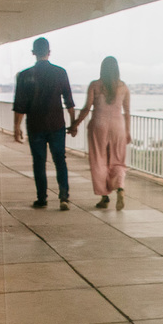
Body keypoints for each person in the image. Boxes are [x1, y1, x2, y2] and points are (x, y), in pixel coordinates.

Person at [12, 37, 76, 210]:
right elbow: (69, 101)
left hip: (35, 125)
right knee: (60, 160)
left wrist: (16, 127)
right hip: (56, 124)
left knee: (39, 162)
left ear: (33, 53)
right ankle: (63, 197)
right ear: (49, 52)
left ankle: (42, 198)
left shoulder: (25, 75)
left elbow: (20, 105)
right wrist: (74, 122)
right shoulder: (60, 73)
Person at [72, 56, 131, 210]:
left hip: (99, 125)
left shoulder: (95, 85)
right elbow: (127, 112)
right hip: (118, 126)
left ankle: (104, 197)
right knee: (118, 160)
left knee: (99, 160)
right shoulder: (123, 87)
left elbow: (86, 108)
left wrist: (75, 124)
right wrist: (128, 131)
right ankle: (120, 188)